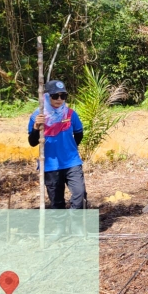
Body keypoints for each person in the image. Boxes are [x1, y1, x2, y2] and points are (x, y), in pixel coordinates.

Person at [28, 80, 87, 210]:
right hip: (50, 165)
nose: (59, 99)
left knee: (80, 195)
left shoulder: (70, 114)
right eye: (55, 96)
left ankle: (76, 226)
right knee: (57, 202)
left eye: (63, 96)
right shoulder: (37, 116)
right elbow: (32, 142)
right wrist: (36, 127)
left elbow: (79, 133)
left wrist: (69, 149)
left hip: (72, 162)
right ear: (47, 96)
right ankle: (61, 229)